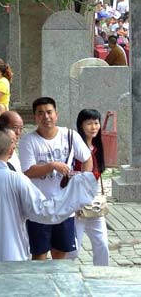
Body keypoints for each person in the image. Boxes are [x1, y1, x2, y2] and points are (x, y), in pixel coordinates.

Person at [0, 128, 97, 262]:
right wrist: (76, 189)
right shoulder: (18, 180)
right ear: (11, 151)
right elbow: (44, 211)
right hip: (13, 255)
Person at [19, 97, 93, 260]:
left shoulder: (70, 135)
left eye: (49, 112)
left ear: (56, 114)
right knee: (39, 255)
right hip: (38, 208)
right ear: (35, 117)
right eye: (40, 113)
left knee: (61, 255)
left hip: (65, 208)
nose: (46, 117)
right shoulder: (28, 141)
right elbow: (28, 171)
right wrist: (52, 165)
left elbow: (87, 159)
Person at [69, 109, 110, 266]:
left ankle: (102, 275)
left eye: (96, 122)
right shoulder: (74, 148)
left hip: (94, 205)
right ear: (81, 125)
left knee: (102, 245)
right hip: (76, 206)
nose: (94, 127)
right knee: (74, 248)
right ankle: (67, 276)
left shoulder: (98, 146)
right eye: (89, 123)